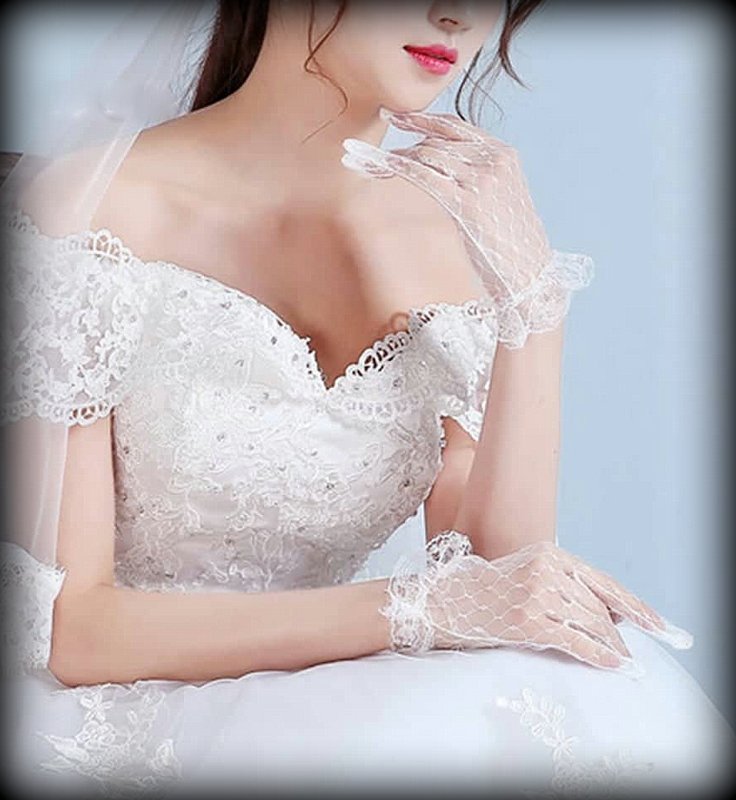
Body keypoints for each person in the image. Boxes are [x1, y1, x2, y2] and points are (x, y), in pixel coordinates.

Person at [1, 1, 733, 795]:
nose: (459, 16)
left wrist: (534, 308)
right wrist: (414, 609)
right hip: (121, 698)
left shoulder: (444, 234)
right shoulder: (95, 209)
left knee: (577, 689)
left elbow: (501, 581)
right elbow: (74, 630)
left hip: (332, 699)